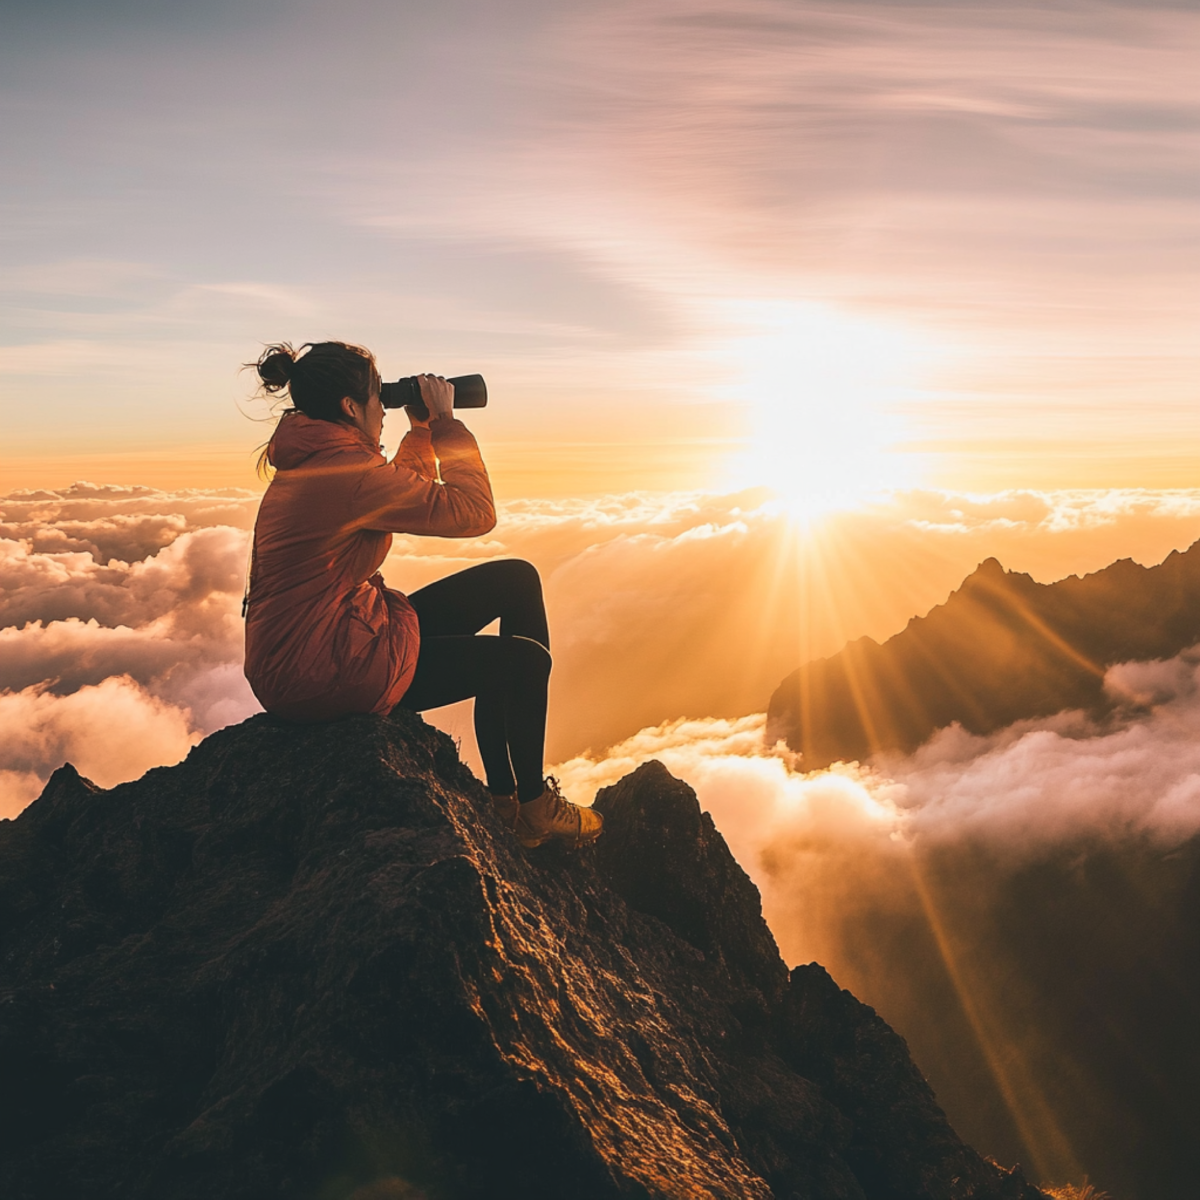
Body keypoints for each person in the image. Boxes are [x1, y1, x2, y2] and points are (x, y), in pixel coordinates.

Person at [242, 340, 601, 849]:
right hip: (322, 672)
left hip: (320, 644)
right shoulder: (345, 474)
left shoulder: (328, 463)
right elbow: (475, 512)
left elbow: (397, 485)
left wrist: (421, 429)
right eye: (376, 397)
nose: (381, 410)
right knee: (524, 664)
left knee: (515, 579)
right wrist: (448, 424)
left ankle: (508, 802)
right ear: (350, 408)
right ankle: (531, 808)